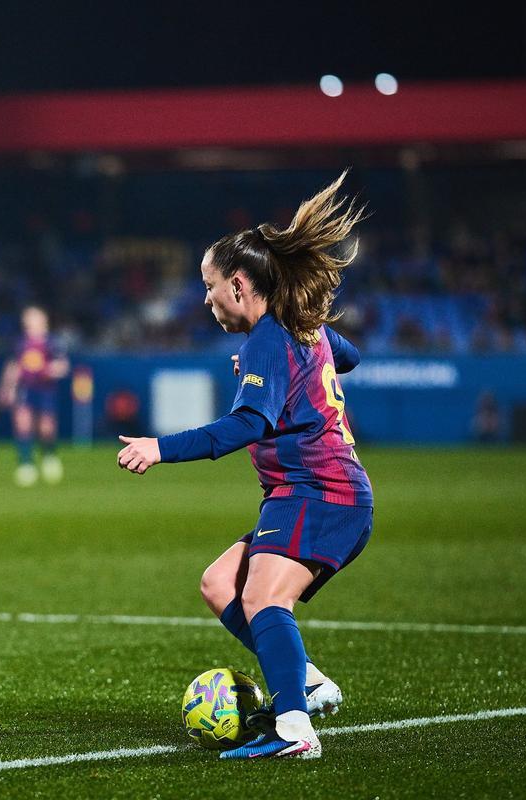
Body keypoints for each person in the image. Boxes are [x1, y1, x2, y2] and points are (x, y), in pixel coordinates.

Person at [117, 173, 373, 760]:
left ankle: (294, 728)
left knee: (262, 600)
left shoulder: (265, 338)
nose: (206, 300)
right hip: (313, 493)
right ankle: (304, 679)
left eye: (210, 288)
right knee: (218, 584)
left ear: (239, 284)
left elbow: (245, 427)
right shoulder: (295, 329)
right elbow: (349, 355)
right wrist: (306, 358)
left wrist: (161, 448)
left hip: (319, 491)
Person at [0, 306, 70, 486]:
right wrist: (6, 389)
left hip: (45, 389)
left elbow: (62, 366)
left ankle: (49, 456)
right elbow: (13, 367)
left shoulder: (52, 343)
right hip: (25, 388)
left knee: (46, 428)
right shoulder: (20, 343)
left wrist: (48, 370)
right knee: (23, 423)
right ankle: (26, 464)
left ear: (43, 320)